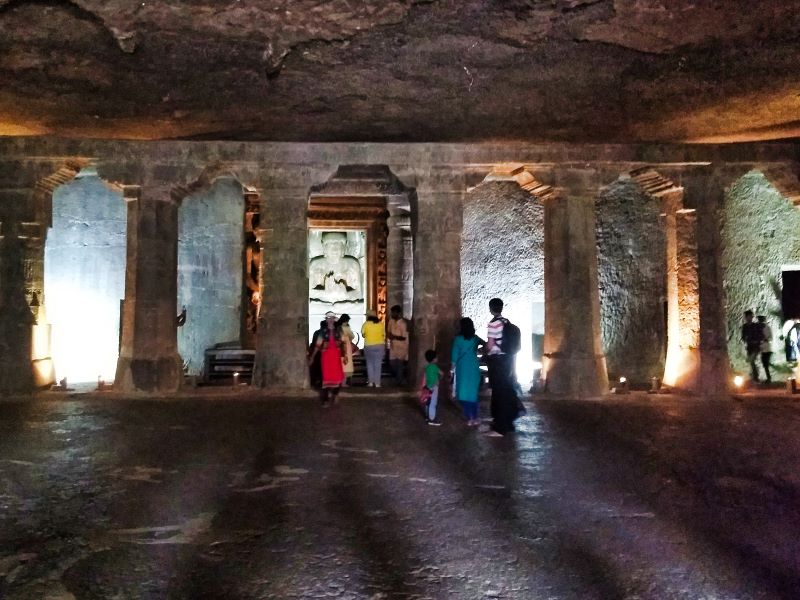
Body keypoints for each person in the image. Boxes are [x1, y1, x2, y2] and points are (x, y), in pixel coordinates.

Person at [485, 297, 516, 437]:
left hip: (497, 361)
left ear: (491, 308)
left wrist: (484, 350)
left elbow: (490, 345)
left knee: (498, 392)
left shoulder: (493, 324)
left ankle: (500, 428)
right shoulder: (506, 322)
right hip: (507, 360)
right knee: (505, 390)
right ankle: (506, 423)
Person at [309, 232, 363, 303]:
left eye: (338, 244)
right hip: (323, 304)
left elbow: (359, 293)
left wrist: (345, 294)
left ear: (344, 247)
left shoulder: (352, 264)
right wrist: (326, 293)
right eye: (331, 245)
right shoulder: (316, 265)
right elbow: (309, 292)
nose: (335, 249)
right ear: (324, 247)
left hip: (346, 305)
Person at [308, 311, 347, 406]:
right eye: (328, 318)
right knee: (325, 377)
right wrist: (312, 357)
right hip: (326, 357)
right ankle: (325, 399)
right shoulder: (322, 332)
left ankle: (335, 394)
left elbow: (343, 343)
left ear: (334, 319)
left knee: (337, 376)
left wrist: (345, 355)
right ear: (326, 320)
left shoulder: (339, 331)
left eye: (331, 318)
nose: (330, 320)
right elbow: (317, 346)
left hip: (336, 357)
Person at [451, 317, 484, 427]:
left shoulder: (458, 339)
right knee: (473, 393)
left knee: (463, 393)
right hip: (474, 366)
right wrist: (478, 351)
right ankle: (475, 417)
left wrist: (451, 370)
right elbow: (486, 345)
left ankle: (469, 418)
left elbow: (454, 357)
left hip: (462, 367)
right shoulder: (475, 339)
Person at [361, 309, 385, 387]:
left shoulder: (366, 324)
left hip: (369, 345)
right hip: (380, 345)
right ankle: (377, 383)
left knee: (370, 364)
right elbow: (383, 334)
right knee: (378, 364)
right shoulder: (380, 324)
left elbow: (363, 335)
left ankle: (371, 382)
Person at [387, 304, 409, 386]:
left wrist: (394, 337)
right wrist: (390, 336)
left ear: (398, 313)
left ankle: (399, 381)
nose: (392, 314)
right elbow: (388, 331)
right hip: (393, 346)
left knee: (399, 364)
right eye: (392, 313)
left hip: (401, 347)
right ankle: (399, 379)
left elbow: (404, 337)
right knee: (392, 363)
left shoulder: (403, 324)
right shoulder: (391, 321)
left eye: (393, 313)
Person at [422, 349, 443, 426]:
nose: (437, 358)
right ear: (434, 359)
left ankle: (428, 416)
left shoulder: (427, 367)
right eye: (436, 357)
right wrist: (439, 379)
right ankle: (432, 419)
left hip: (428, 387)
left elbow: (425, 377)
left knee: (428, 402)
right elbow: (442, 373)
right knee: (433, 403)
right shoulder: (434, 367)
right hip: (434, 387)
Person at [741, 310, 763, 382]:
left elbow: (760, 335)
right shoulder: (744, 326)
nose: (749, 318)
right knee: (752, 362)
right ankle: (754, 376)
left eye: (751, 316)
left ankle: (755, 377)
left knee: (751, 360)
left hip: (756, 346)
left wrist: (758, 340)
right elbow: (743, 336)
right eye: (748, 316)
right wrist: (745, 339)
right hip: (749, 346)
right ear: (746, 317)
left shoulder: (755, 326)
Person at [308, 320, 326, 389]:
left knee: (315, 367)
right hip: (322, 352)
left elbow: (313, 342)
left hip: (316, 352)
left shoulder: (316, 332)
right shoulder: (324, 333)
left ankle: (314, 382)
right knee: (322, 368)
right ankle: (321, 382)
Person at [338, 313, 355, 386]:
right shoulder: (346, 327)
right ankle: (344, 382)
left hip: (339, 346)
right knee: (346, 364)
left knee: (340, 363)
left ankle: (340, 382)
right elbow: (352, 336)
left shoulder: (337, 327)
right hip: (346, 346)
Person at [757, 315, 773, 384]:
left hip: (767, 349)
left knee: (765, 364)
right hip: (762, 348)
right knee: (764, 364)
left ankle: (769, 378)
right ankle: (768, 378)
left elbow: (771, 338)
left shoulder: (767, 328)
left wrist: (766, 339)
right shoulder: (758, 329)